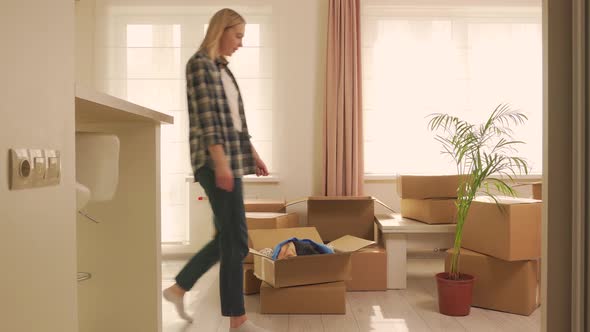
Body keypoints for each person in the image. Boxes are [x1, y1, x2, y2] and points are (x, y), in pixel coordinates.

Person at [163, 8, 270, 332]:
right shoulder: (199, 65)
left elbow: (235, 121)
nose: (240, 43)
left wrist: (252, 153)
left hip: (231, 158)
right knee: (237, 240)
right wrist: (220, 162)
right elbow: (209, 120)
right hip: (214, 162)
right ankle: (237, 319)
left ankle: (179, 287)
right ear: (220, 30)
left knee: (227, 237)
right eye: (237, 35)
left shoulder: (223, 69)